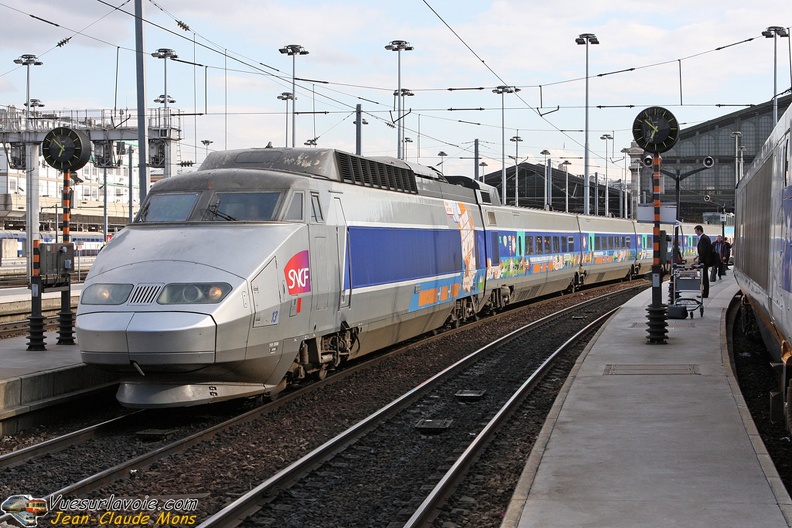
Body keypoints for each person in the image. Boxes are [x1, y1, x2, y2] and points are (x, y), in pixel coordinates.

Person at [694, 225, 711, 298]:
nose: (695, 232)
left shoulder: (703, 238)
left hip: (704, 261)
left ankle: (705, 293)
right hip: (705, 261)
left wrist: (700, 259)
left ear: (699, 230)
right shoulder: (705, 238)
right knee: (704, 277)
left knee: (704, 277)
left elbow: (703, 251)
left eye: (696, 231)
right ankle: (704, 292)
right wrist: (698, 255)